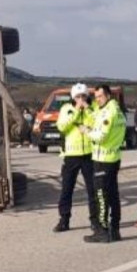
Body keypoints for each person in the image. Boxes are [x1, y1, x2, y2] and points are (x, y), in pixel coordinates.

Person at [53, 84, 102, 234]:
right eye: (78, 97)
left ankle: (95, 220)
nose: (81, 99)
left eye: (83, 96)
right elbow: (62, 127)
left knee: (92, 189)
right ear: (73, 98)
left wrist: (87, 109)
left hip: (88, 154)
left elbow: (97, 124)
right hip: (71, 155)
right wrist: (75, 112)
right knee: (67, 189)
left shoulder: (92, 109)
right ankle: (64, 219)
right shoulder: (67, 109)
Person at [84, 85, 127, 244]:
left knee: (101, 196)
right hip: (113, 158)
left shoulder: (109, 113)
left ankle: (102, 230)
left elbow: (101, 136)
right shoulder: (117, 111)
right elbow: (97, 114)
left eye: (100, 96)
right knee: (114, 195)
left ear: (108, 95)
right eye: (96, 97)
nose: (97, 99)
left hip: (103, 159)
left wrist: (86, 131)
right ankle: (115, 229)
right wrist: (88, 107)